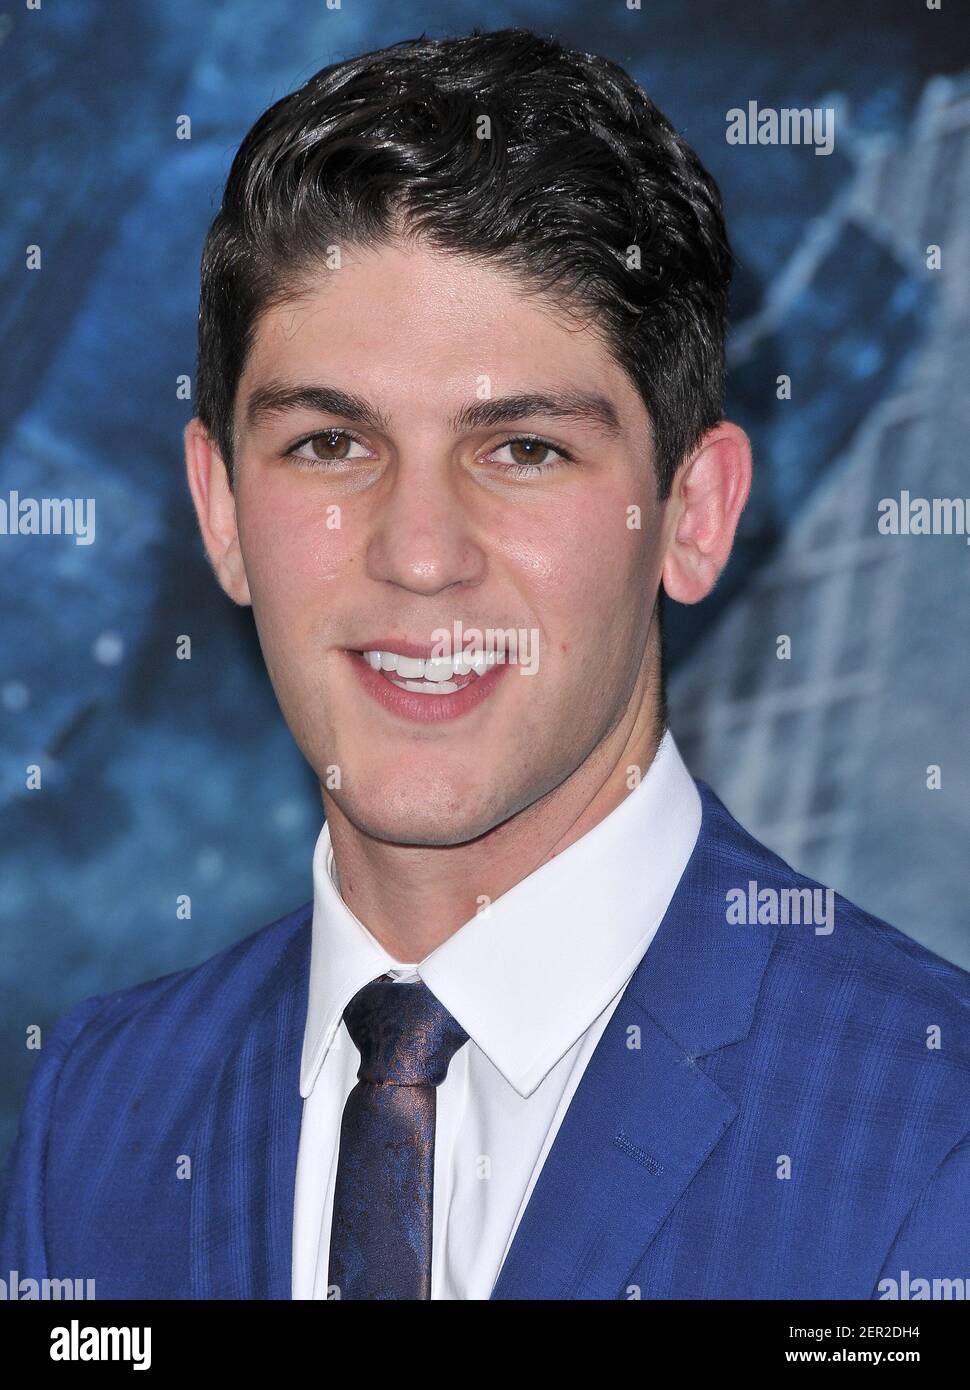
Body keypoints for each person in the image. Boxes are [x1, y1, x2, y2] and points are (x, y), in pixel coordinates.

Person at [3, 27, 968, 1302]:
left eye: (522, 450)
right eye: (329, 444)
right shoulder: (97, 1110)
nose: (417, 554)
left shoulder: (929, 1129)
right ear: (222, 509)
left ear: (695, 514)